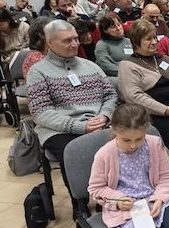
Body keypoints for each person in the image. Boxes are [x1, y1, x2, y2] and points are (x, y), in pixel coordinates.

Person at [26, 19, 117, 196]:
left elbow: (110, 96)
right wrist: (79, 126)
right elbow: (40, 112)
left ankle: (109, 197)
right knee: (77, 154)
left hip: (98, 123)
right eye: (67, 40)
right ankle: (80, 202)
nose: (75, 44)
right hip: (58, 130)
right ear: (50, 43)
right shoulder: (38, 72)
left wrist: (105, 115)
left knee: (122, 147)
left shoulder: (91, 66)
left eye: (75, 38)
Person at [118, 20, 169, 186]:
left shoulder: (164, 59)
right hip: (156, 113)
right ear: (136, 42)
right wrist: (166, 110)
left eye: (155, 38)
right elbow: (134, 96)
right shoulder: (127, 65)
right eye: (148, 39)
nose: (154, 42)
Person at [94, 15, 133, 81]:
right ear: (105, 30)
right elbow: (106, 66)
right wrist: (127, 72)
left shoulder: (128, 41)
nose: (118, 28)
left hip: (133, 72)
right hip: (113, 77)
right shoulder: (102, 44)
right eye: (113, 27)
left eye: (118, 24)